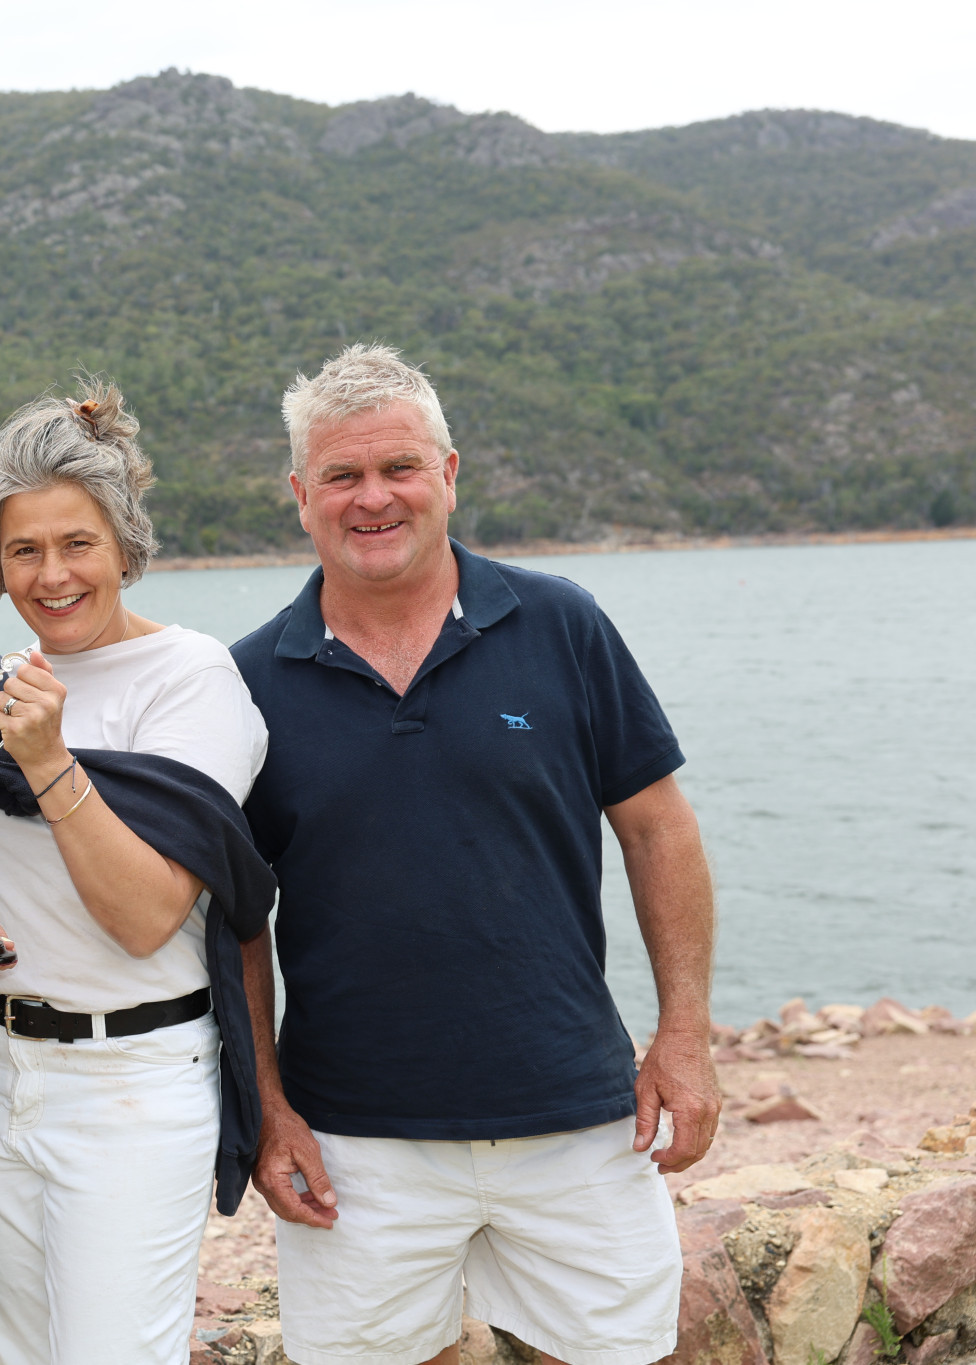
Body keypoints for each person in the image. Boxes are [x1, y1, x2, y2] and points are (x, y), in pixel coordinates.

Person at [230, 343, 722, 1365]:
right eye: (341, 476)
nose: (373, 497)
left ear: (447, 474)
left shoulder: (560, 625)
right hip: (352, 1141)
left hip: (575, 1114)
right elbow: (237, 920)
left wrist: (683, 1035)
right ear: (298, 494)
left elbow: (656, 827)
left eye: (398, 468)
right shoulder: (247, 681)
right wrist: (266, 1109)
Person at [0, 381, 274, 1365]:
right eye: (22, 550)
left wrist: (47, 762)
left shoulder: (191, 681)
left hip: (126, 1083)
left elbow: (143, 916)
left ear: (123, 545)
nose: (51, 574)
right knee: (24, 1349)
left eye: (76, 543)